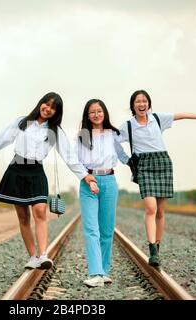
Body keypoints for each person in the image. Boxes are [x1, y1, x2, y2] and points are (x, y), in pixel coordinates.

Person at [0, 92, 97, 270]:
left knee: (40, 211)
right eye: (46, 104)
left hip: (36, 171)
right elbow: (0, 139)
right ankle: (33, 256)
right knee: (23, 216)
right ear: (41, 103)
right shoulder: (22, 122)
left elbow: (68, 155)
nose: (48, 109)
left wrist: (84, 175)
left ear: (57, 113)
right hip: (17, 169)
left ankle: (43, 255)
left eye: (53, 108)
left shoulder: (54, 131)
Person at [119, 89, 196, 267]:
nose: (141, 104)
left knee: (160, 211)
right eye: (138, 101)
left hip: (163, 163)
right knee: (150, 208)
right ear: (132, 106)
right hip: (143, 166)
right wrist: (126, 160)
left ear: (149, 104)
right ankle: (152, 250)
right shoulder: (127, 126)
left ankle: (157, 249)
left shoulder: (158, 119)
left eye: (144, 101)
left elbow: (182, 115)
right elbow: (111, 140)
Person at [77, 99, 129, 287]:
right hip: (88, 182)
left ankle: (104, 271)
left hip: (109, 181)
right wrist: (87, 179)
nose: (96, 114)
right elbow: (78, 162)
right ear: (87, 115)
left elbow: (122, 155)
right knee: (92, 229)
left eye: (99, 111)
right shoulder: (83, 135)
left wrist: (136, 164)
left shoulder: (113, 134)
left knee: (107, 230)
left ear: (104, 113)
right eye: (92, 112)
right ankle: (96, 273)